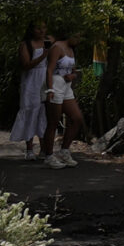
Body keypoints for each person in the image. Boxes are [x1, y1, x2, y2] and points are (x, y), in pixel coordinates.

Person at [43, 35, 87, 166]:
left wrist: (72, 76)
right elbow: (49, 69)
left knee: (76, 118)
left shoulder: (71, 50)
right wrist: (50, 89)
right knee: (53, 121)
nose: (79, 40)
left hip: (66, 85)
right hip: (55, 83)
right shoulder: (57, 47)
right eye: (77, 37)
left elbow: (74, 70)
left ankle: (64, 150)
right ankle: (49, 156)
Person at [10, 22, 51, 157]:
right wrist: (42, 56)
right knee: (29, 111)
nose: (41, 31)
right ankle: (29, 149)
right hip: (31, 81)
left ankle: (44, 149)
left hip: (45, 79)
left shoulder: (48, 41)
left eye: (43, 28)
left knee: (43, 112)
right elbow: (26, 65)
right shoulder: (26, 45)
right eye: (38, 28)